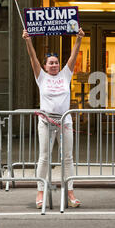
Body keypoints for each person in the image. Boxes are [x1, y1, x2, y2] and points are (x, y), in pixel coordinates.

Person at [22, 28, 85, 209]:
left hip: (65, 121)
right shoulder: (41, 77)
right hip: (46, 122)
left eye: (56, 63)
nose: (54, 65)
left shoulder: (66, 75)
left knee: (67, 158)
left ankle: (70, 192)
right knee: (44, 157)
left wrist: (79, 39)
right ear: (45, 66)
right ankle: (40, 191)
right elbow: (33, 58)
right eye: (51, 63)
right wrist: (28, 40)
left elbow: (72, 58)